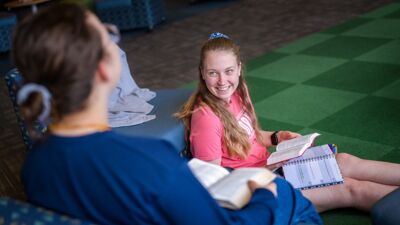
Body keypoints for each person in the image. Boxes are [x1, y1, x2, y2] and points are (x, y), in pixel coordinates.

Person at [15, 4, 322, 225]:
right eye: (109, 37)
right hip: (254, 205)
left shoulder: (34, 167)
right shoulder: (154, 162)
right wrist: (265, 198)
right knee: (289, 198)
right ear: (105, 69)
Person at [175, 32, 400, 213]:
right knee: (350, 188)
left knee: (345, 161)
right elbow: (216, 184)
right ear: (202, 74)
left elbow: (252, 135)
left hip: (271, 168)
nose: (223, 81)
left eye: (229, 71)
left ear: (240, 69)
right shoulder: (206, 117)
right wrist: (267, 170)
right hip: (258, 188)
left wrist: (277, 137)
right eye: (213, 73)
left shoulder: (237, 93)